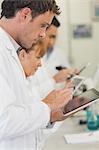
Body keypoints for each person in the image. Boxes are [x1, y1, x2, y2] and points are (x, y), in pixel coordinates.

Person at [0, 0, 73, 150]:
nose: (43, 34)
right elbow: (3, 121)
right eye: (43, 25)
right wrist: (47, 108)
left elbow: (19, 109)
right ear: (25, 15)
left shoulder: (10, 49)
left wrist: (50, 116)